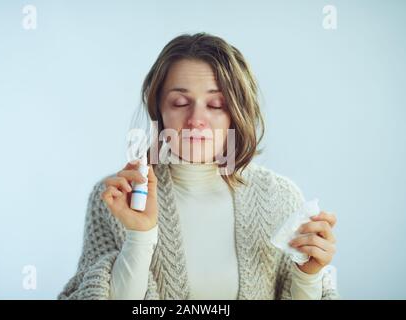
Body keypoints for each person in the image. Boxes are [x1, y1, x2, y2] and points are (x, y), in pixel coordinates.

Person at [58, 32, 339, 300]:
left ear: (237, 113)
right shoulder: (117, 198)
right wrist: (139, 237)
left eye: (216, 104)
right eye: (180, 102)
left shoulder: (280, 197)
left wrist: (309, 276)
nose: (196, 119)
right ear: (159, 110)